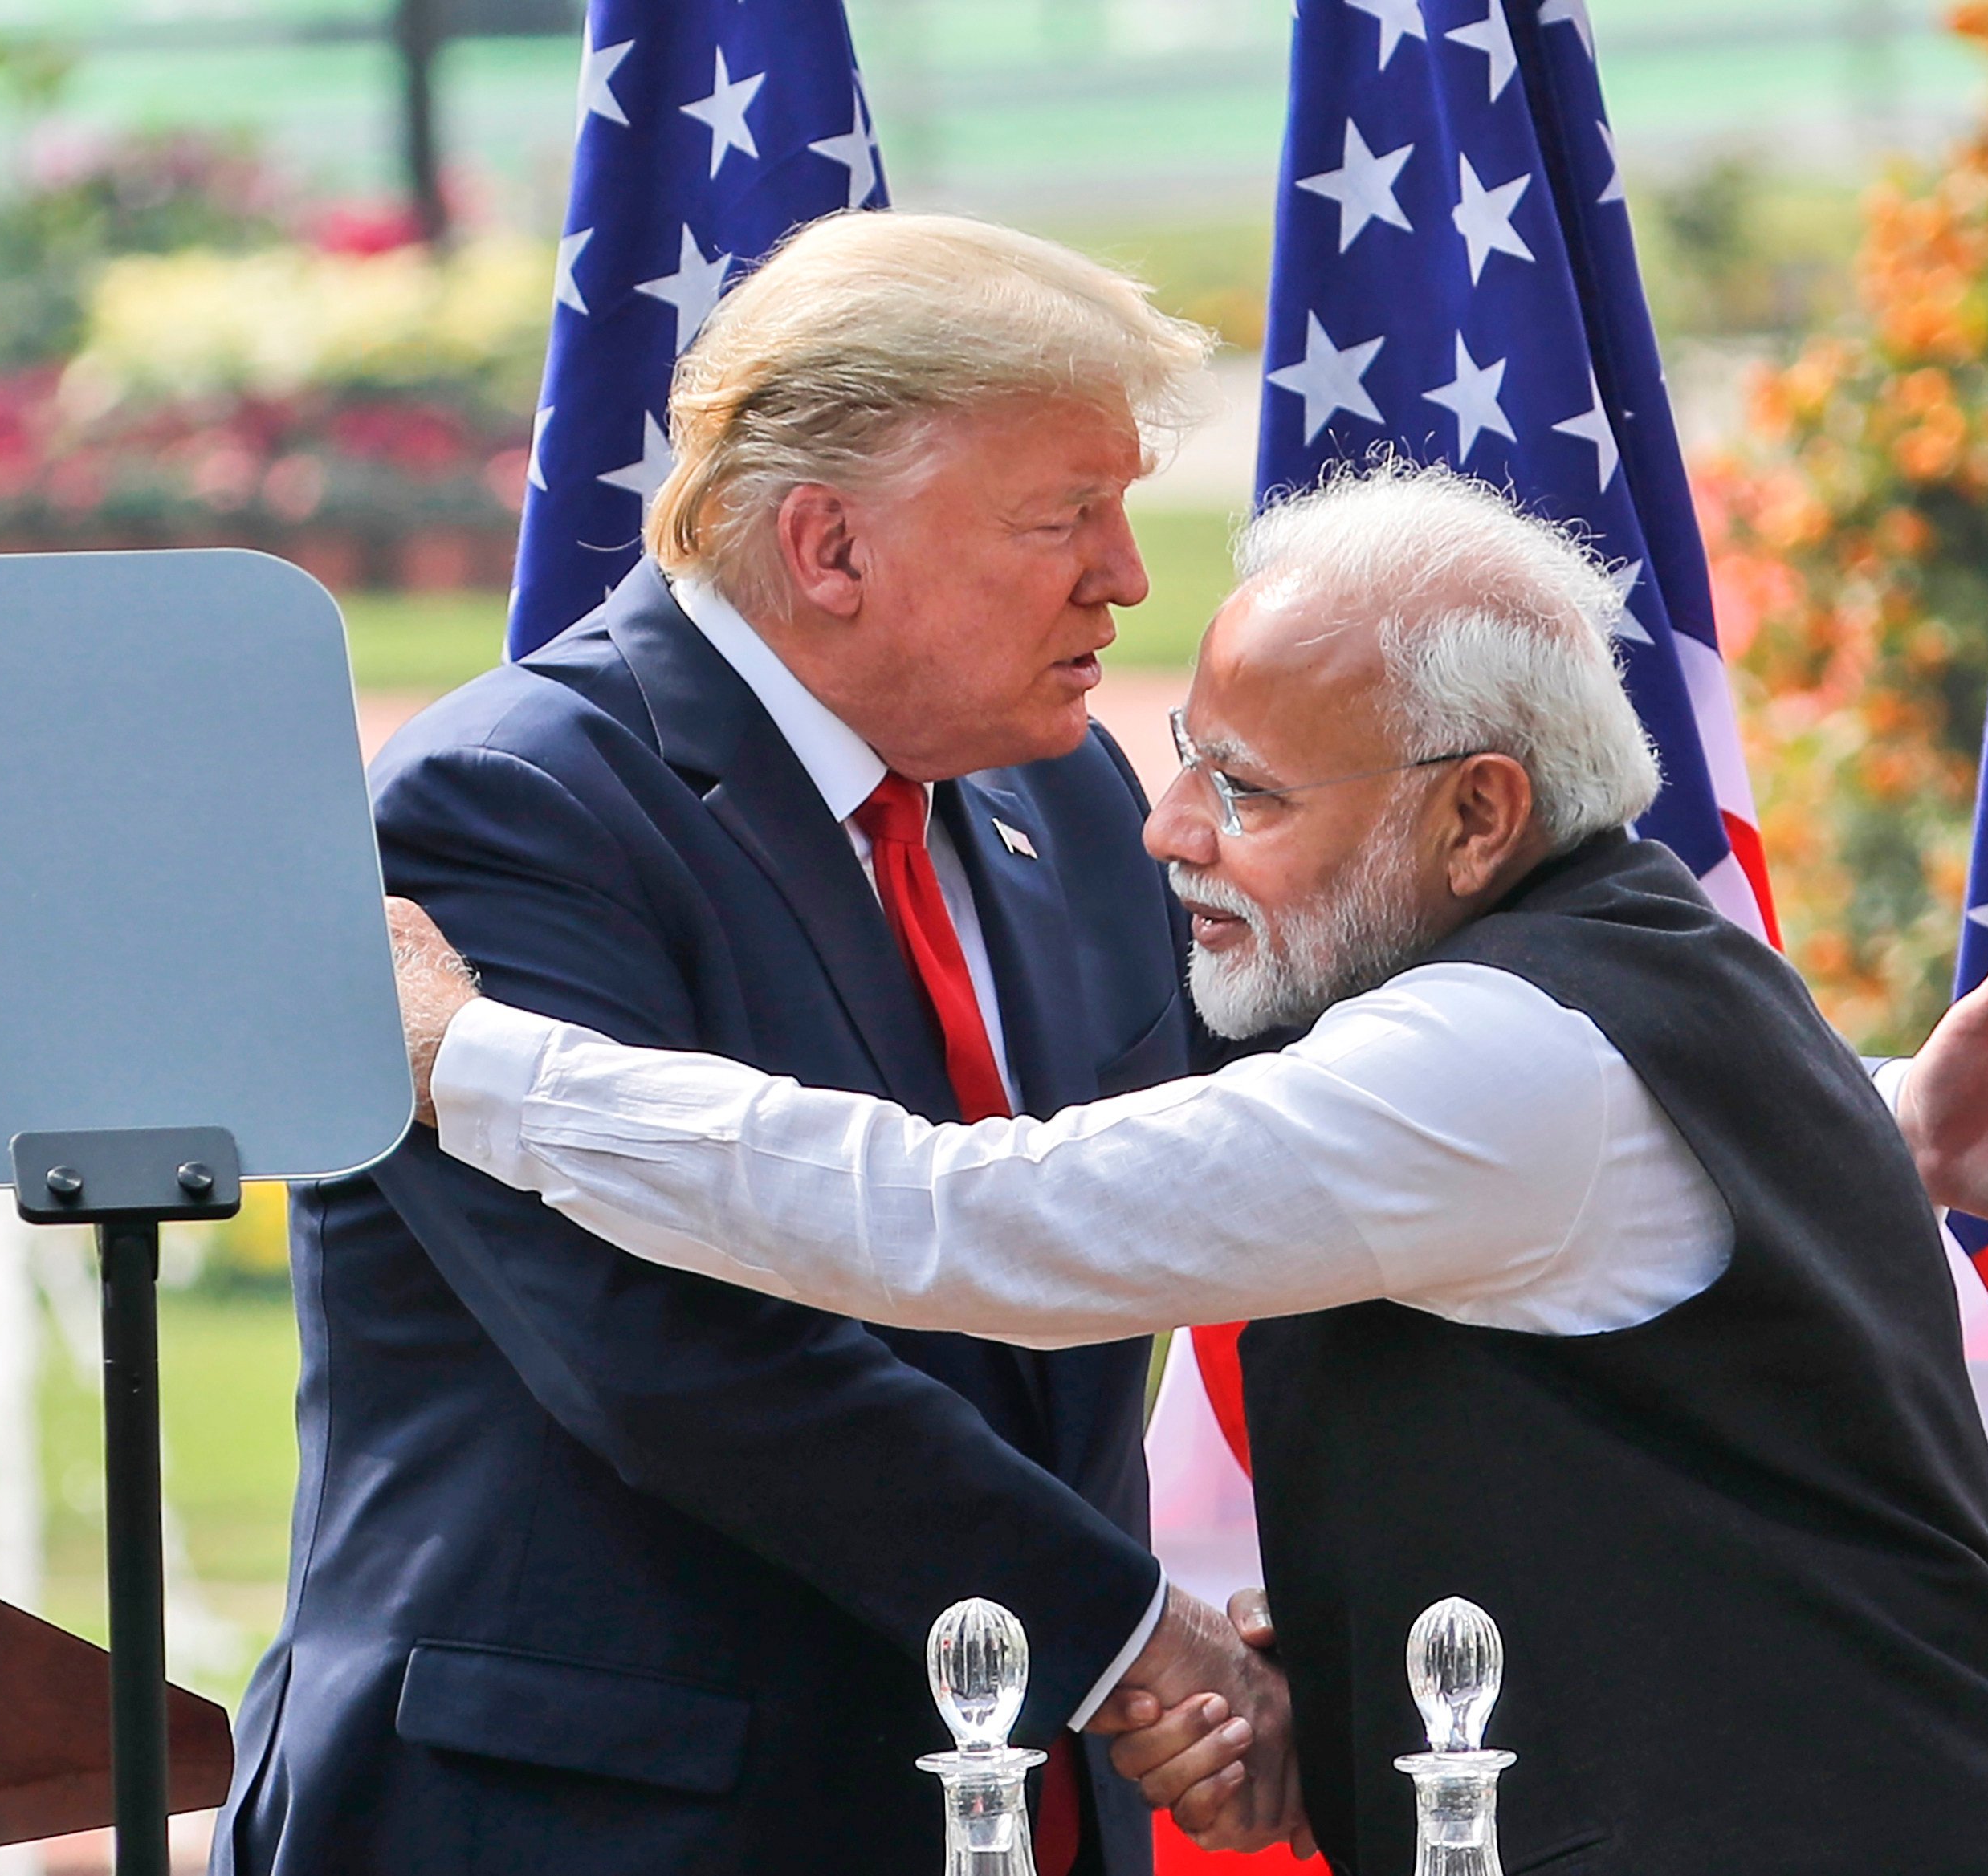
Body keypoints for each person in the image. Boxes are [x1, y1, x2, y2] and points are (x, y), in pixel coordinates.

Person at [386, 462, 1988, 1874]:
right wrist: (1887, 1123)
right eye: (1187, 757)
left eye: (1251, 792)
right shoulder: (1621, 972)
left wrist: (478, 1064)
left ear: (1473, 813)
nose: (1166, 829)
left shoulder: (1492, 1054)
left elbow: (972, 1216)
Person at [216, 211, 1298, 1876]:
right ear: (828, 546)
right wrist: (1128, 1636)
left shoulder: (1063, 789)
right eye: (1065, 515)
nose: (1127, 573)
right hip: (600, 1822)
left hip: (1004, 1804)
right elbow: (676, 1351)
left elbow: (1256, 1163)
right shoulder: (513, 809)